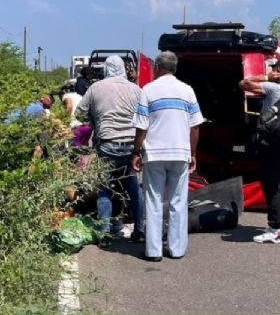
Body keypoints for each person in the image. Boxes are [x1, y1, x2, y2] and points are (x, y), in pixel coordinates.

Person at [131, 51, 203, 262]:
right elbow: (195, 127)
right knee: (178, 201)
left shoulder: (148, 90)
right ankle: (176, 248)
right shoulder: (187, 90)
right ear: (174, 68)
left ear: (158, 67)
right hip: (180, 153)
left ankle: (153, 251)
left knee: (153, 201)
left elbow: (141, 127)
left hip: (154, 154)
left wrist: (136, 152)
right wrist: (193, 153)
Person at [77, 55, 145, 247]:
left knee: (105, 190)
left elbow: (80, 113)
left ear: (106, 69)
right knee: (134, 188)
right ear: (123, 68)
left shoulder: (95, 88)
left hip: (107, 146)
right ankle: (139, 230)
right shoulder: (136, 89)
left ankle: (105, 234)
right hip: (131, 146)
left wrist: (95, 117)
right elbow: (144, 117)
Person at [238, 57, 280, 244]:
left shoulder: (274, 88)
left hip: (270, 144)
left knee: (271, 185)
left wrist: (265, 76)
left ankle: (274, 229)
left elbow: (243, 83)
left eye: (275, 68)